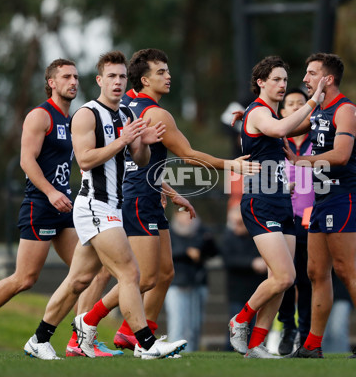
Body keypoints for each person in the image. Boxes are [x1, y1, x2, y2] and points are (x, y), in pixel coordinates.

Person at [78, 48, 257, 354]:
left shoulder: (127, 106)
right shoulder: (155, 113)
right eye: (160, 72)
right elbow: (187, 155)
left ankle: (130, 334)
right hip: (137, 199)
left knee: (164, 273)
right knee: (141, 277)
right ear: (145, 79)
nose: (168, 75)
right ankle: (89, 322)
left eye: (167, 70)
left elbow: (141, 163)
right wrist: (232, 165)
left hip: (144, 195)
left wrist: (173, 194)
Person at [22, 50, 182, 360]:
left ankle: (39, 339)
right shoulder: (87, 114)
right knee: (130, 274)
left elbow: (139, 161)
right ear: (99, 80)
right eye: (111, 76)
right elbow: (84, 159)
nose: (118, 82)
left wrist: (142, 144)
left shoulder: (126, 115)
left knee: (79, 280)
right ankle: (146, 345)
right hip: (94, 204)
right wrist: (123, 141)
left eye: (122, 76)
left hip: (113, 207)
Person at [0, 59, 106, 356]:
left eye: (76, 76)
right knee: (25, 278)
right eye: (66, 77)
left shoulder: (74, 119)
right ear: (51, 82)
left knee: (92, 269)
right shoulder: (40, 116)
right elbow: (27, 161)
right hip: (41, 205)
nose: (73, 81)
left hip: (65, 207)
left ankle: (80, 339)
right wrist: (50, 193)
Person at [283, 53, 356, 359]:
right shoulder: (318, 110)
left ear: (328, 79)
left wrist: (302, 160)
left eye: (311, 73)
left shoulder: (347, 110)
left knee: (345, 268)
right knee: (316, 272)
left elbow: (341, 155)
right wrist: (253, 120)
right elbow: (285, 129)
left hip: (343, 197)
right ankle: (312, 344)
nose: (305, 78)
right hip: (322, 199)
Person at [228, 56, 327, 359]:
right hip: (260, 201)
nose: (283, 85)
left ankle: (256, 345)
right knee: (284, 276)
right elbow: (283, 126)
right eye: (277, 79)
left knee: (282, 280)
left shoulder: (264, 113)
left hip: (281, 200)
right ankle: (241, 320)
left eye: (285, 79)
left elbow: (288, 131)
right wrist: (313, 101)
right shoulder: (259, 112)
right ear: (260, 82)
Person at [276, 88, 313, 355]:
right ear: (283, 112)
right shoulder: (275, 141)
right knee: (285, 278)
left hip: (310, 219)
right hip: (282, 217)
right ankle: (287, 327)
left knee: (308, 278)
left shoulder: (319, 141)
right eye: (290, 104)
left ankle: (306, 332)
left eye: (302, 103)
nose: (296, 107)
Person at [164, 211, 218, 352]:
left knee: (195, 324)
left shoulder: (202, 231)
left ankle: (191, 352)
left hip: (198, 281)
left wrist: (205, 244)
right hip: (177, 283)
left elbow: (214, 252)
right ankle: (174, 350)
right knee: (178, 323)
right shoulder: (169, 231)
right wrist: (187, 252)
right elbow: (166, 253)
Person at [220, 203, 267, 351]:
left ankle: (254, 349)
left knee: (254, 328)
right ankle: (232, 351)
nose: (236, 226)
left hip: (257, 289)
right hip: (237, 291)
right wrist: (251, 263)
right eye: (233, 222)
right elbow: (228, 260)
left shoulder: (257, 237)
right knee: (237, 329)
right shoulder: (228, 238)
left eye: (240, 222)